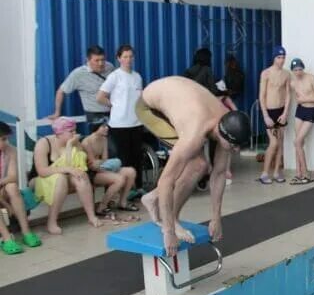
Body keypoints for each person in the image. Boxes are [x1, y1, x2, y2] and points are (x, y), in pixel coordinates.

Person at [136, 77, 251, 256]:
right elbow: (166, 181)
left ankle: (152, 199)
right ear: (222, 134)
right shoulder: (194, 132)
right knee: (197, 165)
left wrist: (216, 218)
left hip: (178, 99)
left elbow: (219, 173)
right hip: (149, 107)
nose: (235, 150)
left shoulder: (226, 121)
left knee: (202, 165)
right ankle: (172, 220)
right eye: (233, 146)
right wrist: (169, 232)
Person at [33, 117, 102, 234]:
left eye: (75, 130)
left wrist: (70, 145)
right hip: (41, 179)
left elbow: (78, 166)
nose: (75, 134)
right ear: (60, 133)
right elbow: (42, 171)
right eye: (71, 131)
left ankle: (91, 216)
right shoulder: (44, 143)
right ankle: (52, 221)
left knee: (81, 175)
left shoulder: (75, 143)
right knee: (60, 179)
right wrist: (67, 169)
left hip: (66, 177)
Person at [97, 45, 145, 192]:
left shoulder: (137, 77)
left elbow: (140, 98)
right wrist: (114, 105)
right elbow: (100, 97)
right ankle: (125, 190)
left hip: (136, 123)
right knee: (124, 159)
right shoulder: (115, 76)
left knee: (137, 157)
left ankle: (138, 187)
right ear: (118, 58)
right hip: (119, 125)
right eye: (125, 56)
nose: (128, 59)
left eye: (130, 56)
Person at [81, 120, 139, 217]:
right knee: (119, 179)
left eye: (107, 126)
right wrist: (102, 165)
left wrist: (103, 165)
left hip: (102, 168)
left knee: (130, 171)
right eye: (103, 126)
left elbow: (105, 160)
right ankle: (101, 207)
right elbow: (92, 165)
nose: (107, 128)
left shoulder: (104, 139)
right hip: (91, 173)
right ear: (96, 128)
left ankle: (122, 202)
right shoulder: (87, 142)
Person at [0, 122, 42, 254]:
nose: (5, 142)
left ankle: (26, 232)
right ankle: (6, 239)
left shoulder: (10, 150)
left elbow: (13, 177)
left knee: (12, 187)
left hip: (2, 188)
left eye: (6, 138)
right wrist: (5, 203)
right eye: (2, 139)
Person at [48, 45, 114, 123]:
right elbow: (61, 91)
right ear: (88, 60)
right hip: (95, 116)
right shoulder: (78, 74)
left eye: (103, 60)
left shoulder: (109, 67)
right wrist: (57, 113)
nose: (100, 63)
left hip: (114, 112)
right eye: (97, 60)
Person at [289, 58, 314, 185]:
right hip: (300, 112)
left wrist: (305, 99)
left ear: (303, 68)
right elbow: (295, 98)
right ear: (292, 71)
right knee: (298, 142)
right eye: (295, 70)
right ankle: (298, 174)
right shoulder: (293, 83)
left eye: (300, 69)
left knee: (297, 141)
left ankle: (306, 174)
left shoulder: (311, 78)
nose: (298, 72)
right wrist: (302, 101)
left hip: (311, 111)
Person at [259, 46, 291, 184]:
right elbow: (262, 96)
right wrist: (265, 115)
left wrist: (285, 113)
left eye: (283, 57)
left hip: (281, 111)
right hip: (270, 112)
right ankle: (264, 173)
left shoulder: (286, 74)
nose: (281, 60)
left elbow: (289, 95)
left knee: (281, 144)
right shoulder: (265, 73)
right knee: (273, 143)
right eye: (279, 57)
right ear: (273, 58)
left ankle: (277, 172)